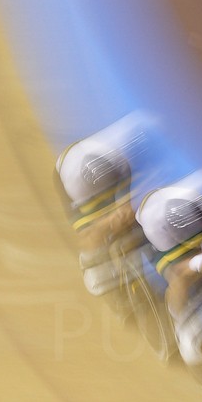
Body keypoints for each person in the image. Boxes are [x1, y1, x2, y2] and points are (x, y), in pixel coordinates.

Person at [134, 169, 202, 367]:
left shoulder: (201, 204)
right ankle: (178, 322)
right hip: (158, 234)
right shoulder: (155, 224)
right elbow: (178, 270)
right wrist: (197, 263)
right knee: (179, 277)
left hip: (183, 214)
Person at [54, 114, 152, 296]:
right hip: (82, 177)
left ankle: (135, 269)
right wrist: (109, 223)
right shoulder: (75, 178)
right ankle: (91, 260)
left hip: (114, 169)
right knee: (94, 232)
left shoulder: (132, 153)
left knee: (131, 218)